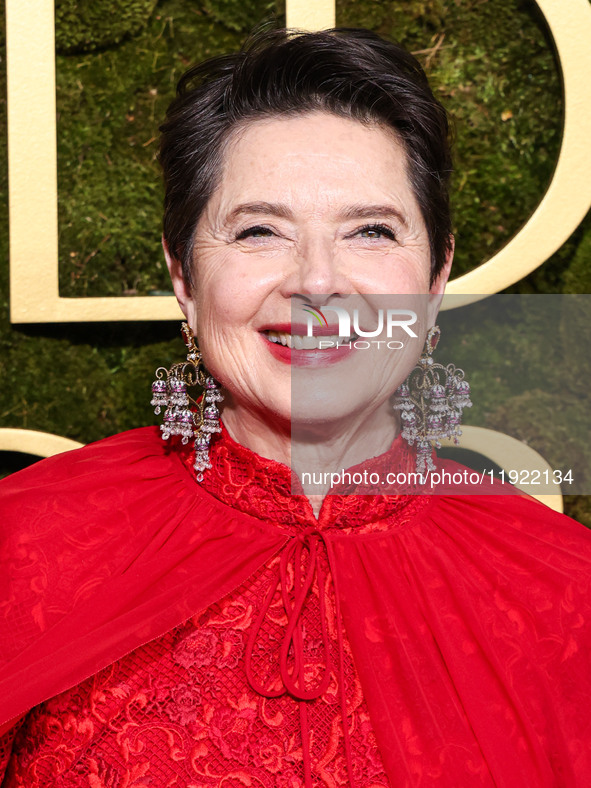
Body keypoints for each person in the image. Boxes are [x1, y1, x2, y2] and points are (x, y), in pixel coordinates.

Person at [1, 27, 590, 788]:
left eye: (371, 231)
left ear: (436, 272)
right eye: (259, 231)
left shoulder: (563, 593)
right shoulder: (24, 544)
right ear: (183, 274)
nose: (316, 281)